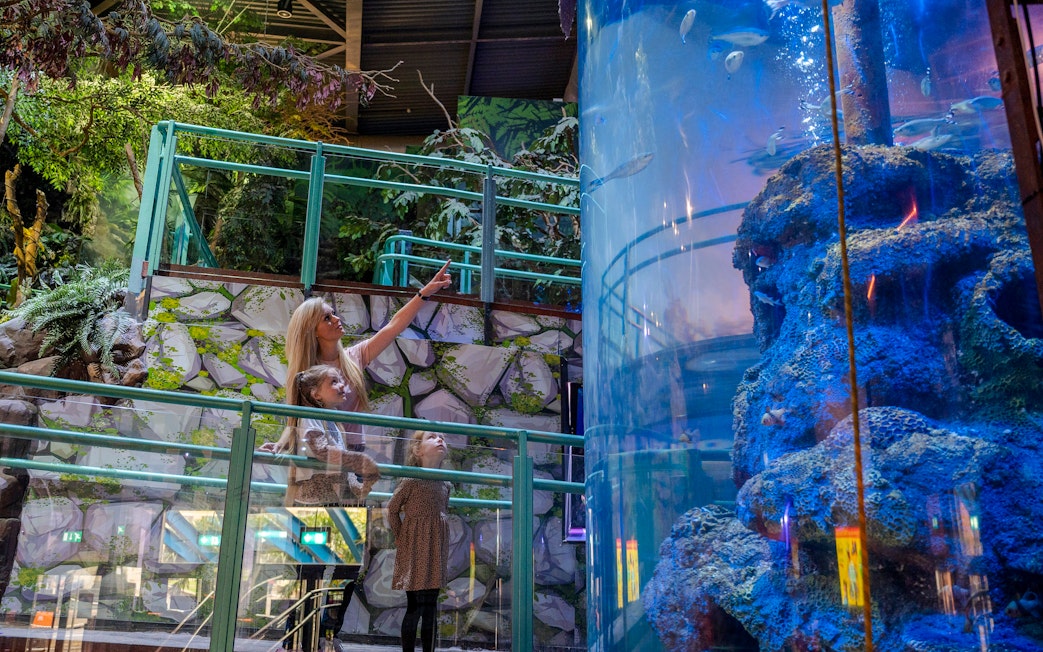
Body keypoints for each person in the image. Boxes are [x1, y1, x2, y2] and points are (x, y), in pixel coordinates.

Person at [272, 259, 453, 454]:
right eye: (327, 318)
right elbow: (296, 417)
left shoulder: (354, 357)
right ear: (312, 331)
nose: (337, 319)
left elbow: (393, 326)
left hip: (354, 453)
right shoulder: (307, 372)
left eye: (333, 313)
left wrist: (424, 293)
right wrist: (280, 445)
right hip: (324, 455)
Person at [386, 430, 450, 652]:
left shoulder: (446, 484)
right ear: (417, 449)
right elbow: (393, 510)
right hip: (414, 548)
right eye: (432, 436)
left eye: (442, 436)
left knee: (431, 606)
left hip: (435, 549)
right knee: (414, 606)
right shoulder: (411, 479)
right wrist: (401, 538)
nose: (440, 439)